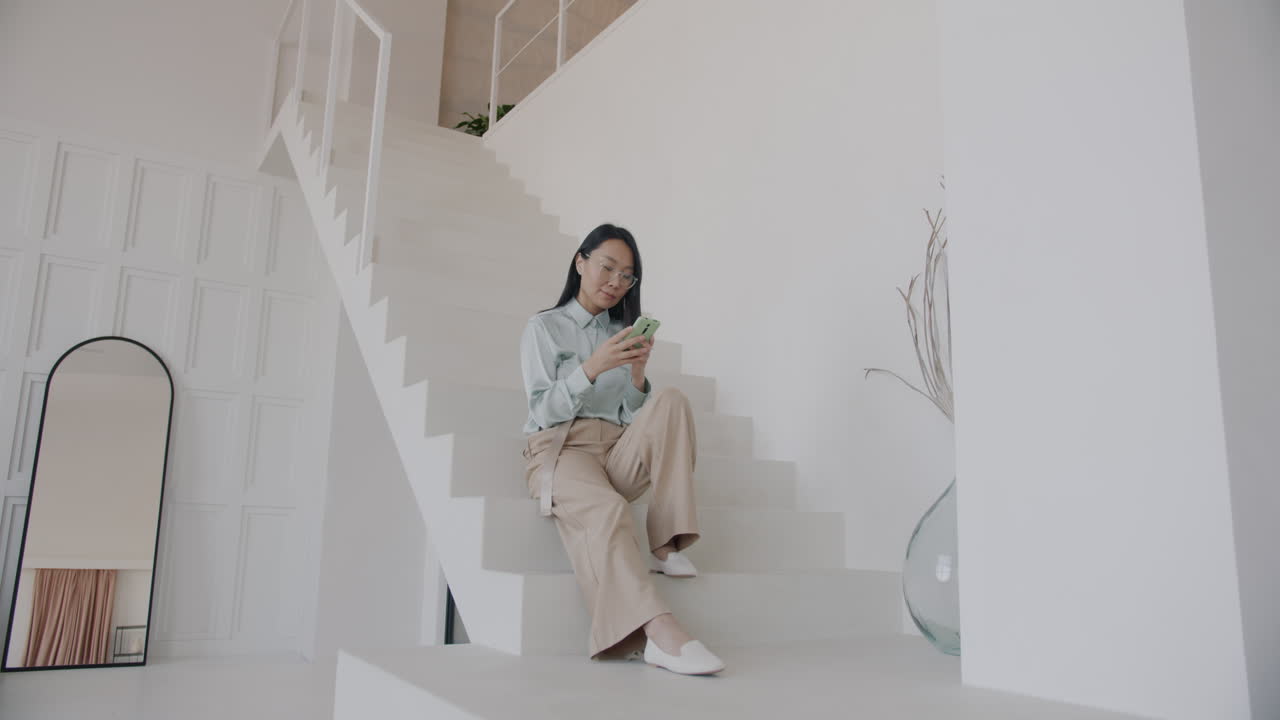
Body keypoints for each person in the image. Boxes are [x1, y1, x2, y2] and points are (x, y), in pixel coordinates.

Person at [519, 223, 725, 676]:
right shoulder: (544, 328)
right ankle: (658, 632)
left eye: (627, 276)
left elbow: (630, 415)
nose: (616, 282)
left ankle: (665, 545)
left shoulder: (621, 331)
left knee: (670, 399)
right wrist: (591, 368)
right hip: (562, 449)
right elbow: (543, 409)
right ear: (580, 262)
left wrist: (636, 377)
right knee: (609, 510)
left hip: (614, 451)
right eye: (607, 267)